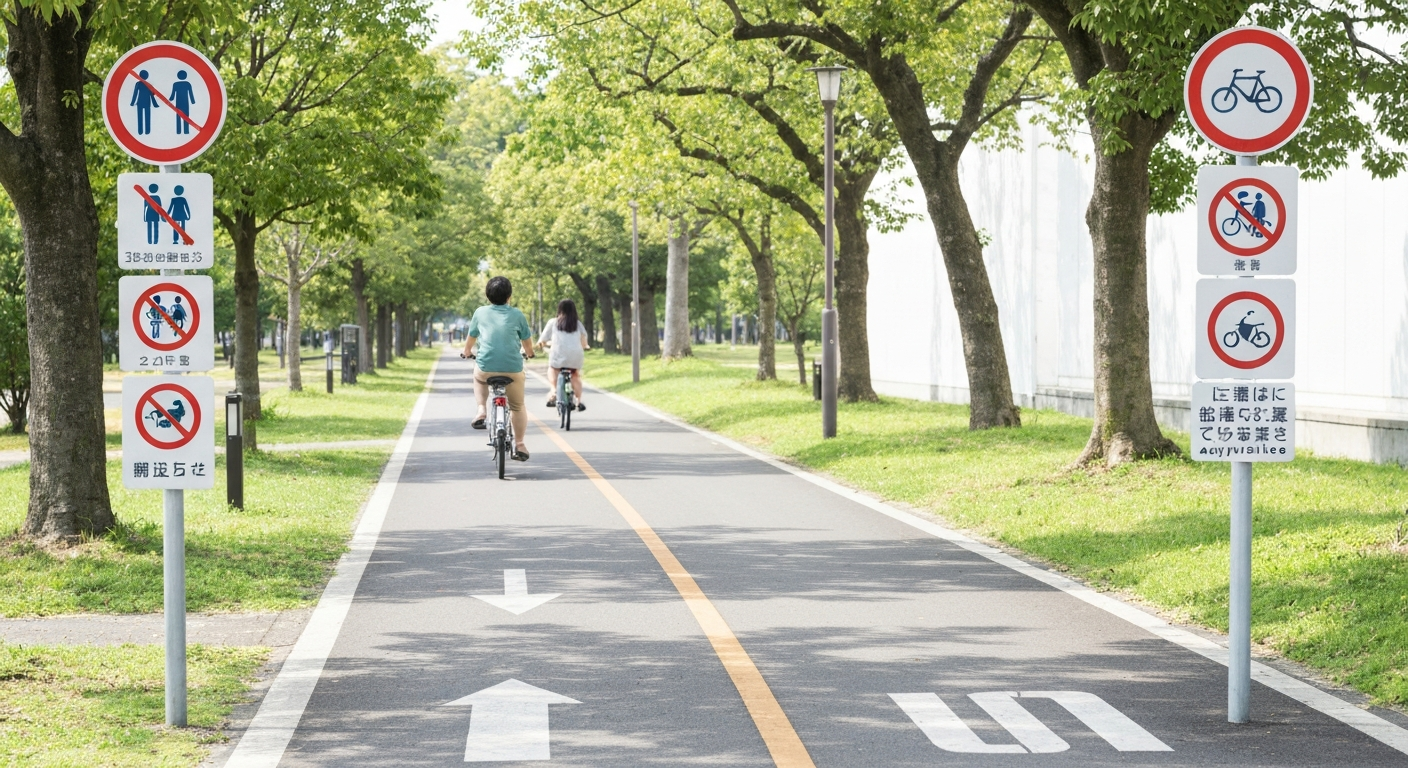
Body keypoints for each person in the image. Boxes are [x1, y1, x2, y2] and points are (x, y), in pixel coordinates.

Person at [463, 276, 535, 461]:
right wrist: (530, 353)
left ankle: (481, 410)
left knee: (478, 377)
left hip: (486, 367)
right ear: (509, 296)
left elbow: (470, 339)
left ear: (487, 296)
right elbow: (527, 343)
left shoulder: (480, 313)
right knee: (517, 406)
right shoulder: (517, 314)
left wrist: (467, 352)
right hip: (512, 368)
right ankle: (519, 444)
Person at [537, 299, 590, 410]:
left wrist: (542, 344)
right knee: (575, 375)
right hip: (575, 356)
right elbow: (584, 343)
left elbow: (542, 340)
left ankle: (554, 390)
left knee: (552, 369)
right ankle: (579, 402)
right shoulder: (578, 324)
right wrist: (586, 347)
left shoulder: (553, 322)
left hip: (558, 355)